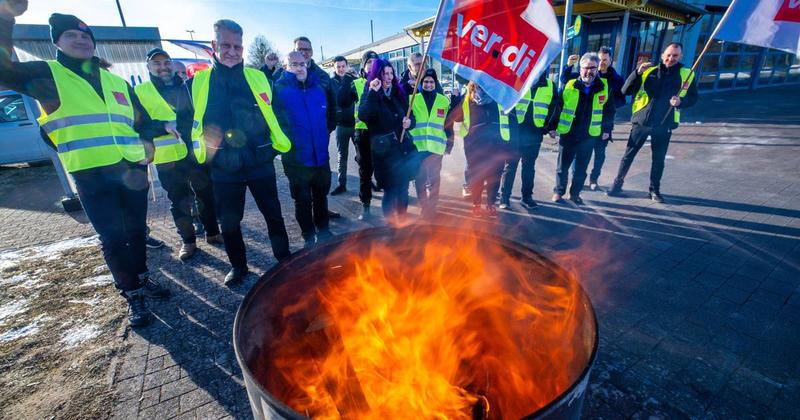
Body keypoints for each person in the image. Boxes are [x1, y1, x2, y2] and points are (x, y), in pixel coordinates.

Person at [0, 5, 174, 327]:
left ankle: (142, 276)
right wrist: (5, 16)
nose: (80, 40)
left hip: (132, 171)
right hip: (92, 175)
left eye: (85, 35)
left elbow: (140, 122)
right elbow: (4, 69)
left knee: (136, 231)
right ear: (57, 42)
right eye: (71, 35)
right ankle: (132, 295)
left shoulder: (116, 83)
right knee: (113, 237)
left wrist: (153, 138)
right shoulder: (47, 74)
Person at [188, 19, 292, 285]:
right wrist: (208, 161)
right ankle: (239, 266)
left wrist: (269, 153)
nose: (232, 51)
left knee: (274, 215)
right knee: (230, 222)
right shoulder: (197, 83)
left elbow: (279, 115)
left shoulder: (258, 78)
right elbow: (188, 123)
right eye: (225, 45)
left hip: (259, 162)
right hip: (223, 169)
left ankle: (285, 259)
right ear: (214, 45)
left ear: (243, 47)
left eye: (237, 46)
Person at [135, 48, 222, 261]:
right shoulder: (140, 92)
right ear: (148, 67)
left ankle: (213, 233)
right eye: (157, 64)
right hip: (167, 158)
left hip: (194, 152)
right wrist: (163, 126)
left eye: (166, 62)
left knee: (205, 194)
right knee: (179, 201)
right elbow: (138, 125)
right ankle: (188, 241)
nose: (163, 67)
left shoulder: (187, 87)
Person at [607, 42, 697, 203]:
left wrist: (681, 101)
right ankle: (617, 184)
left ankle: (654, 190)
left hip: (664, 124)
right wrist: (636, 73)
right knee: (628, 156)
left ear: (681, 56)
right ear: (663, 55)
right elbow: (625, 91)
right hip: (642, 122)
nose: (671, 58)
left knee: (658, 159)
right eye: (668, 55)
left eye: (675, 55)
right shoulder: (648, 71)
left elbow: (693, 98)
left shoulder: (687, 74)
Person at [274, 52, 336, 246]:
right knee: (302, 201)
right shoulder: (279, 90)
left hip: (321, 157)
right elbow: (276, 123)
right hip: (296, 160)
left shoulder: (319, 88)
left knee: (320, 197)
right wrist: (289, 148)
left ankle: (324, 232)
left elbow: (331, 116)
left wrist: (325, 134)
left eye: (302, 64)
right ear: (286, 66)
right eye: (294, 64)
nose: (299, 68)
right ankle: (308, 236)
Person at [549, 52, 615, 205]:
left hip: (589, 135)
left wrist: (607, 130)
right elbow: (558, 106)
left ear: (597, 69)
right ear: (580, 69)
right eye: (585, 68)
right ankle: (558, 192)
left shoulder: (604, 87)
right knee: (562, 167)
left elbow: (609, 111)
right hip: (569, 134)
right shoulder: (570, 85)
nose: (589, 71)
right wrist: (552, 126)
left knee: (581, 169)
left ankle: (575, 194)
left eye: (593, 68)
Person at [562, 47, 627, 191]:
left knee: (599, 154)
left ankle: (593, 179)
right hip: (583, 127)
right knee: (579, 156)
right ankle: (575, 181)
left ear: (610, 60)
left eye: (605, 60)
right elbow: (566, 81)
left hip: (601, 124)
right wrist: (568, 66)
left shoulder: (615, 79)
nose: (602, 62)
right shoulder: (584, 74)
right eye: (600, 59)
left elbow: (621, 99)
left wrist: (606, 104)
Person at [358, 59, 414, 224]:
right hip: (384, 151)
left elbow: (411, 117)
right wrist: (373, 93)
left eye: (391, 73)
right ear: (377, 75)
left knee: (403, 188)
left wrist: (410, 122)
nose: (389, 77)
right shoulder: (370, 92)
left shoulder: (398, 92)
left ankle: (402, 222)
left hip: (402, 148)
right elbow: (364, 116)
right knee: (391, 189)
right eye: (385, 74)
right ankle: (390, 225)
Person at [451, 82, 516, 218]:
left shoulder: (499, 98)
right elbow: (456, 119)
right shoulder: (468, 98)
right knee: (477, 176)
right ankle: (476, 205)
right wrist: (455, 99)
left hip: (497, 143)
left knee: (495, 176)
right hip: (474, 144)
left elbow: (511, 118)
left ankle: (491, 204)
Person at [293, 36, 341, 219]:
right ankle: (307, 232)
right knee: (302, 191)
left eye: (307, 49)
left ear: (311, 52)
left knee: (321, 183)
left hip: (319, 141)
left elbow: (332, 104)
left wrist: (328, 128)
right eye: (300, 49)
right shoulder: (286, 76)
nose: (304, 52)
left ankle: (322, 220)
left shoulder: (322, 76)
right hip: (297, 146)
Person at [498, 69, 558, 210]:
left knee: (529, 167)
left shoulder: (550, 85)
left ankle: (527, 197)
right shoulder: (517, 80)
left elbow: (555, 107)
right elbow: (507, 104)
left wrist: (548, 127)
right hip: (515, 132)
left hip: (534, 134)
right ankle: (504, 198)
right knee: (510, 166)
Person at [338, 50, 380, 220]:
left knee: (381, 166)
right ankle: (366, 206)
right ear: (364, 65)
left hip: (381, 131)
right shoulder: (356, 83)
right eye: (368, 61)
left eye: (375, 61)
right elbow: (342, 101)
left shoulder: (385, 79)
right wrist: (345, 80)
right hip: (362, 132)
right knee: (365, 170)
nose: (372, 64)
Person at [407, 68, 454, 219]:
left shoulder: (443, 100)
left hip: (436, 147)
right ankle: (424, 207)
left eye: (431, 82)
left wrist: (450, 142)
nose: (428, 84)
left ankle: (432, 208)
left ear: (436, 83)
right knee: (419, 179)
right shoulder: (412, 99)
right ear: (421, 83)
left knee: (434, 179)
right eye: (426, 82)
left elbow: (448, 124)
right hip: (418, 147)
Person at [329, 55, 356, 195]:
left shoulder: (353, 80)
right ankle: (342, 184)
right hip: (341, 125)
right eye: (338, 67)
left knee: (362, 155)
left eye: (343, 66)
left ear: (346, 66)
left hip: (356, 124)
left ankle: (369, 181)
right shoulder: (330, 82)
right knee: (342, 155)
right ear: (334, 67)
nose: (341, 69)